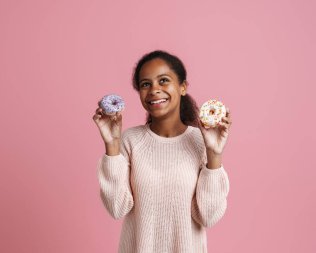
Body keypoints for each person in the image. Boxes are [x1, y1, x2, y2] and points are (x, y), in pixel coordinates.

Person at [92, 50, 232, 253]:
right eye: (145, 84)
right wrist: (112, 145)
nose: (154, 90)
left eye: (163, 80)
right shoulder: (130, 140)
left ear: (183, 87)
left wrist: (214, 154)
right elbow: (116, 208)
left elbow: (209, 216)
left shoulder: (200, 141)